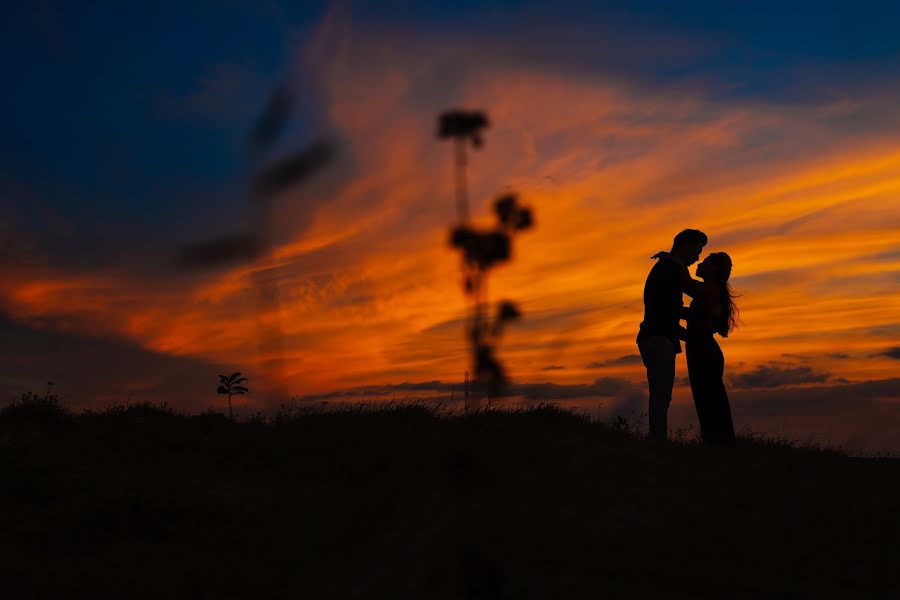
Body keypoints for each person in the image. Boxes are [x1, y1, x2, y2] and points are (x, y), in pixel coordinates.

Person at [636, 229, 707, 440]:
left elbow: (671, 308)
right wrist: (717, 286)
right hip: (658, 338)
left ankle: (658, 440)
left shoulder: (666, 266)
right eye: (697, 250)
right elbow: (690, 293)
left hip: (656, 336)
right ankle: (658, 441)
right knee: (661, 395)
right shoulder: (672, 266)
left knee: (660, 394)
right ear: (685, 244)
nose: (697, 258)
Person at [677, 252, 740, 444]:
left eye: (704, 262)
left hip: (704, 351)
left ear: (713, 269)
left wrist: (674, 262)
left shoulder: (709, 290)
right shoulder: (711, 291)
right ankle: (718, 443)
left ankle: (719, 443)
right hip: (701, 349)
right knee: (708, 399)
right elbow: (694, 324)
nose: (698, 264)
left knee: (709, 400)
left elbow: (684, 283)